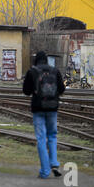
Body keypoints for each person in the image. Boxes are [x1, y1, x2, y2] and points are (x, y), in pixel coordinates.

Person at [23, 51, 65, 179]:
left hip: (38, 109)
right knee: (52, 135)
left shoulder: (32, 71)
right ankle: (54, 163)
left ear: (36, 60)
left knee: (41, 139)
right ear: (46, 60)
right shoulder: (55, 71)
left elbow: (26, 91)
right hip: (52, 108)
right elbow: (62, 89)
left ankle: (45, 171)